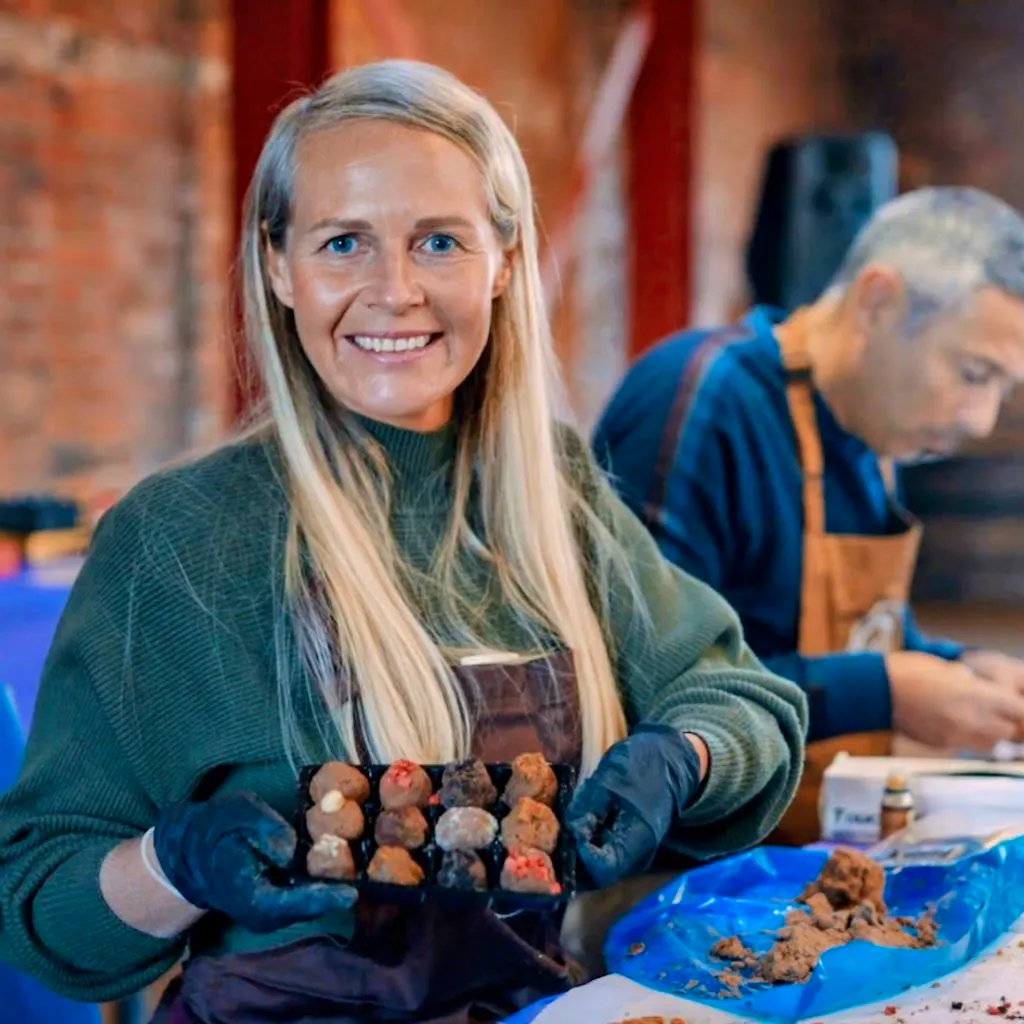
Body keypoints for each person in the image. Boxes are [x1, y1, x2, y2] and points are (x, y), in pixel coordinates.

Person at [0, 60, 806, 1023]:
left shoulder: (551, 490)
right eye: (343, 242)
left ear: (503, 260)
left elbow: (744, 700)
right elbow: (40, 906)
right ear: (277, 265)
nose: (394, 292)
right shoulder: (177, 538)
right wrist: (172, 865)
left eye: (438, 241)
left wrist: (687, 755)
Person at [593, 187, 1024, 840]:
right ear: (880, 302)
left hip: (807, 851)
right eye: (972, 373)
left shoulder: (869, 437)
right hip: (682, 870)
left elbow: (855, 642)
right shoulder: (703, 398)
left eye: (1002, 388)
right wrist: (886, 690)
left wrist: (959, 669)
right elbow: (636, 684)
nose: (980, 418)